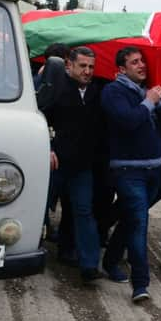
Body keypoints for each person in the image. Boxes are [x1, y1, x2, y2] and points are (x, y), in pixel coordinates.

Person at [100, 46, 161, 302]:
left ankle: (111, 261)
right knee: (139, 224)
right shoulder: (113, 91)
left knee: (130, 219)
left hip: (154, 170)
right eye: (135, 62)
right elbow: (128, 121)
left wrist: (157, 101)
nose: (142, 65)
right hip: (128, 170)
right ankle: (141, 283)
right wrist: (149, 103)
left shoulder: (149, 92)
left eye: (142, 61)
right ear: (122, 69)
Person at [41, 46, 104, 284]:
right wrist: (47, 147)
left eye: (91, 67)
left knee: (84, 212)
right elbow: (39, 118)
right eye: (82, 66)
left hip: (81, 167)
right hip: (54, 164)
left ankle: (89, 266)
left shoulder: (96, 92)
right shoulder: (55, 89)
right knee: (40, 208)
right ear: (69, 65)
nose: (87, 71)